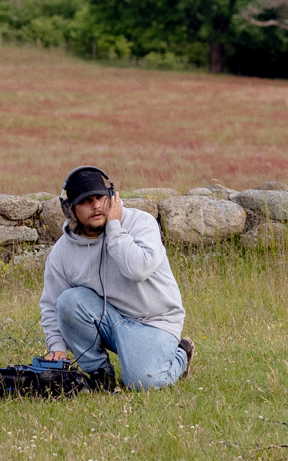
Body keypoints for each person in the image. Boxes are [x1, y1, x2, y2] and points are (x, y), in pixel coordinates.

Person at [40, 165, 193, 390]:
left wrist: (114, 227)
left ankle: (181, 353)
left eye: (100, 197)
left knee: (143, 382)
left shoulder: (141, 223)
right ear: (70, 209)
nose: (96, 206)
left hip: (155, 322)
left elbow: (139, 270)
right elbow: (52, 304)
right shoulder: (62, 251)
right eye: (85, 201)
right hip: (110, 321)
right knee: (68, 301)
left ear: (112, 197)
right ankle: (100, 373)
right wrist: (57, 348)